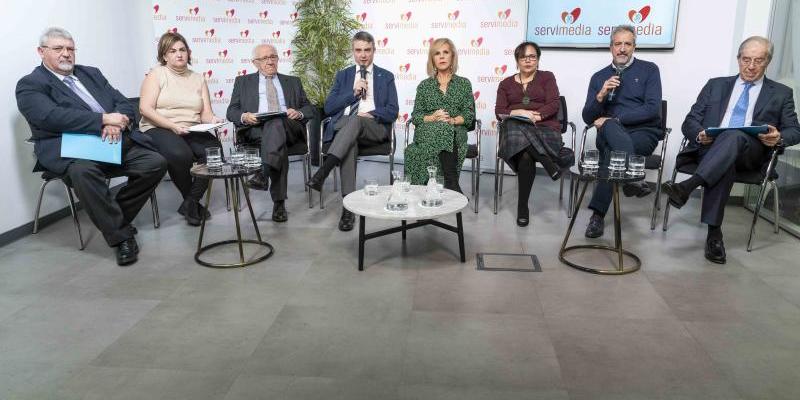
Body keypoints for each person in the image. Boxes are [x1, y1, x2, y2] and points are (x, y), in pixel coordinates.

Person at [16, 27, 167, 266]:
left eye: (70, 48)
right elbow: (49, 117)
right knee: (82, 172)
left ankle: (114, 218)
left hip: (111, 140)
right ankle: (121, 238)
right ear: (41, 52)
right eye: (58, 48)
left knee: (154, 162)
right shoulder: (30, 84)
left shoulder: (91, 73)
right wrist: (103, 120)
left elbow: (123, 102)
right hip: (71, 148)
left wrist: (118, 123)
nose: (66, 54)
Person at [662, 36, 800, 264]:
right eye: (746, 59)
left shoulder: (781, 93)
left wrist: (778, 137)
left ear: (768, 62)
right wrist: (700, 134)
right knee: (725, 162)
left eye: (759, 60)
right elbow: (690, 121)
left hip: (752, 153)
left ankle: (688, 185)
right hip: (710, 149)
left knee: (734, 135)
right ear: (738, 59)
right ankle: (714, 235)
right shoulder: (716, 85)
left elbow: (795, 130)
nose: (751, 66)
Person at [307, 31, 399, 231]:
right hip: (345, 125)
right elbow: (330, 108)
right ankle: (348, 207)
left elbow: (393, 111)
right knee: (350, 137)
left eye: (367, 50)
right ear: (353, 51)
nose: (363, 55)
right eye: (358, 50)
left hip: (374, 127)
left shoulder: (386, 76)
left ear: (374, 50)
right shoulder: (344, 75)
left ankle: (325, 170)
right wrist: (352, 93)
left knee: (353, 128)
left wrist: (373, 113)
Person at [581, 25, 663, 238]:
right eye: (618, 44)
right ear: (611, 47)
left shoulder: (650, 70)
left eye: (628, 44)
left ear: (634, 47)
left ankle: (597, 217)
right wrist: (600, 95)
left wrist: (615, 118)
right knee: (609, 130)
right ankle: (635, 178)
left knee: (612, 153)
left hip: (643, 132)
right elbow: (588, 117)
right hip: (609, 131)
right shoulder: (599, 77)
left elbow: (653, 108)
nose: (623, 49)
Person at [138, 32, 224, 226]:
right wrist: (173, 126)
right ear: (164, 56)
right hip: (159, 126)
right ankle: (192, 202)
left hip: (191, 128)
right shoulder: (156, 74)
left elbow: (205, 114)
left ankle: (190, 202)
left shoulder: (198, 78)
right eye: (173, 51)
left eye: (182, 50)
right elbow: (145, 108)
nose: (179, 54)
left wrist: (214, 119)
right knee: (180, 154)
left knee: (214, 152)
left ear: (188, 52)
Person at [226, 44, 315, 222]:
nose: (270, 61)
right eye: (265, 58)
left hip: (289, 127)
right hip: (255, 129)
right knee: (276, 141)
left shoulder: (293, 81)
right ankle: (279, 203)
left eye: (273, 57)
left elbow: (309, 108)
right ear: (255, 63)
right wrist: (245, 116)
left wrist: (298, 113)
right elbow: (231, 111)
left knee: (276, 124)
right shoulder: (243, 82)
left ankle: (263, 174)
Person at [495, 41, 562, 227]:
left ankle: (522, 206)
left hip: (544, 129)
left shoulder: (547, 77)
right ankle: (548, 165)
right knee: (515, 126)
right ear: (517, 60)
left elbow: (554, 103)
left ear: (538, 59)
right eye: (523, 57)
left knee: (523, 147)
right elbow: (499, 110)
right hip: (516, 131)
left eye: (532, 56)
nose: (528, 60)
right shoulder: (505, 84)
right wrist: (520, 113)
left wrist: (537, 115)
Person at [405, 38, 475, 194]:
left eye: (445, 52)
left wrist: (452, 120)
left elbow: (469, 115)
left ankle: (431, 187)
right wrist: (432, 118)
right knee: (440, 126)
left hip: (456, 131)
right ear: (432, 59)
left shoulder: (464, 84)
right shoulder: (424, 86)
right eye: (437, 53)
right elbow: (416, 116)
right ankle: (452, 183)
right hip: (426, 132)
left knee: (443, 128)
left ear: (452, 57)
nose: (442, 57)